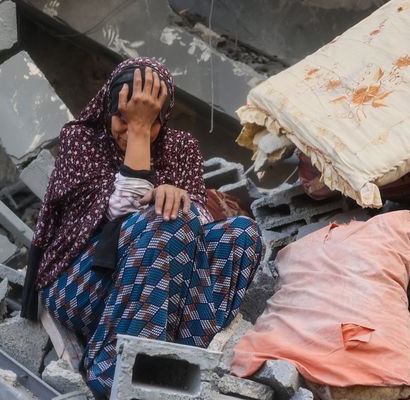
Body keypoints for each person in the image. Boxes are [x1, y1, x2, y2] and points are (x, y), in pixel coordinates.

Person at [23, 57, 264, 397]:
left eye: (148, 122)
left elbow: (202, 226)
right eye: (123, 117)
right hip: (82, 286)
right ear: (108, 108)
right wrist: (139, 136)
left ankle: (184, 366)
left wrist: (176, 196)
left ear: (163, 120)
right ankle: (116, 372)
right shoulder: (82, 141)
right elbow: (117, 213)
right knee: (165, 221)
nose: (128, 129)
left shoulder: (181, 148)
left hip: (162, 294)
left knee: (240, 234)